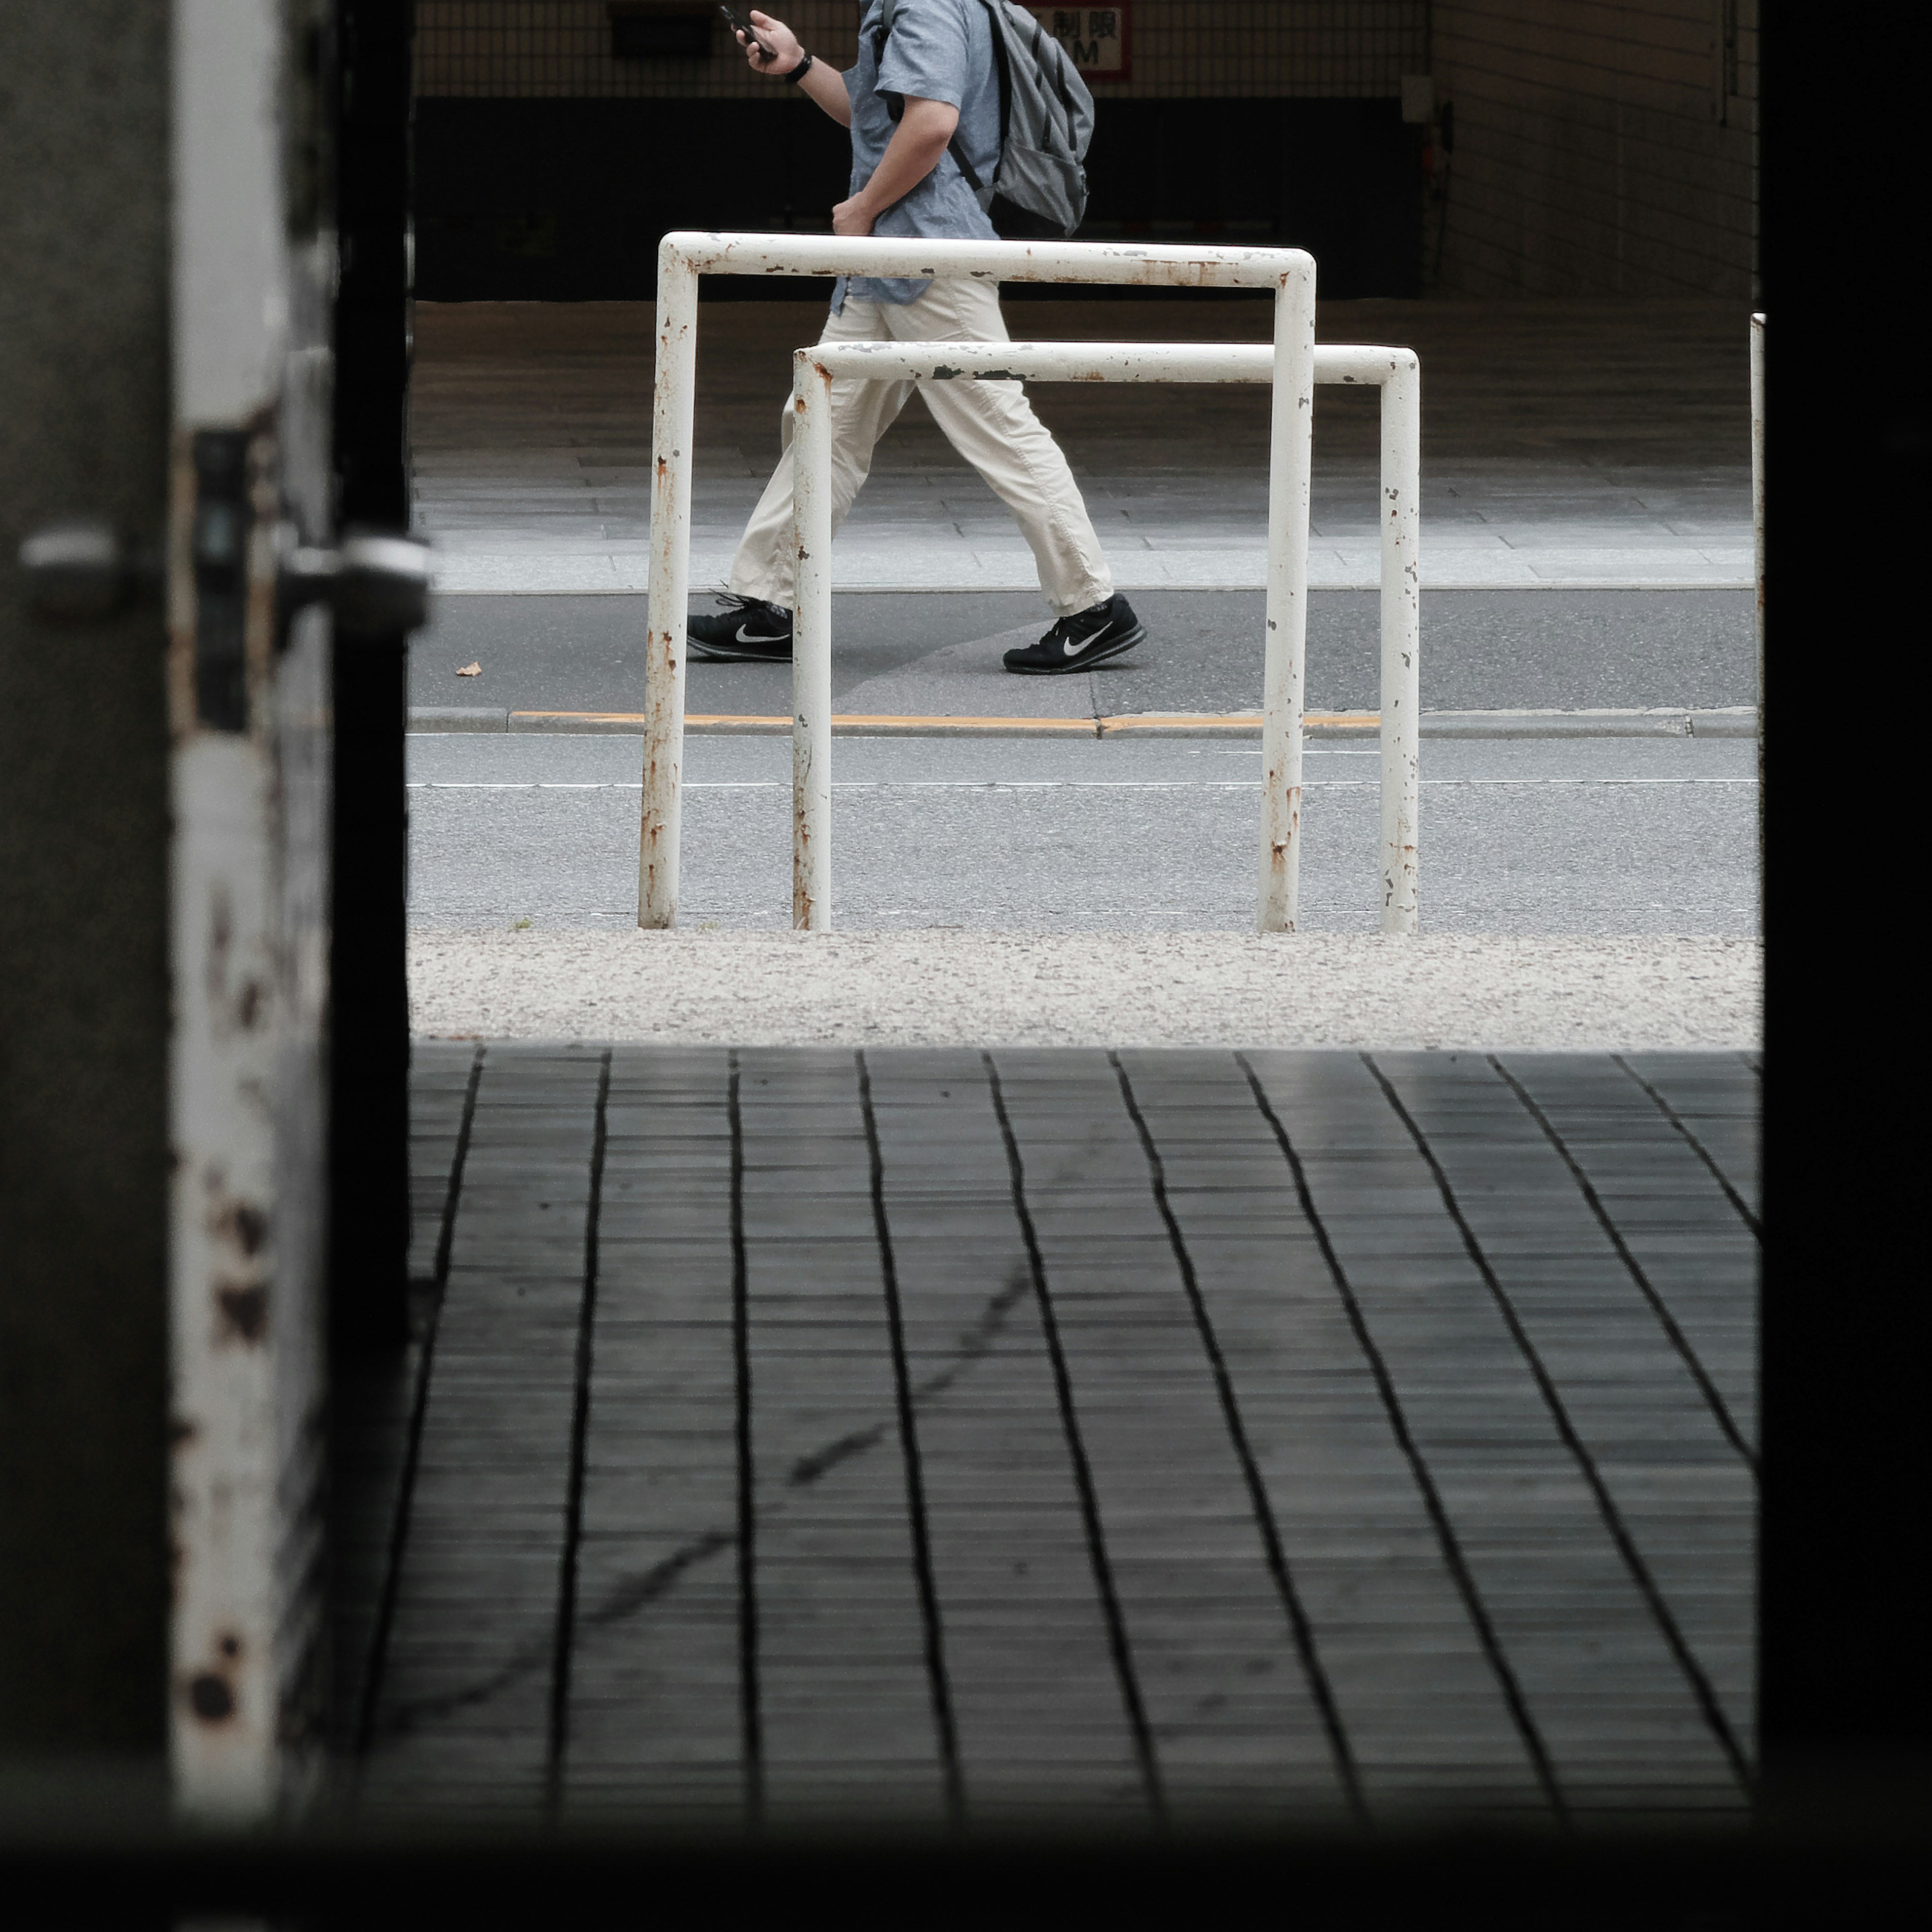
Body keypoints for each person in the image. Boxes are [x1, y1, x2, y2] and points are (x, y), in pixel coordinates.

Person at [687, 4, 1145, 676]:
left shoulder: (924, 3)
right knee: (825, 424)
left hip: (925, 253)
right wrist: (801, 65)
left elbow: (932, 124)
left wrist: (864, 207)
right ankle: (771, 605)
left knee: (999, 425)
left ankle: (1094, 605)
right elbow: (877, 115)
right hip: (893, 264)